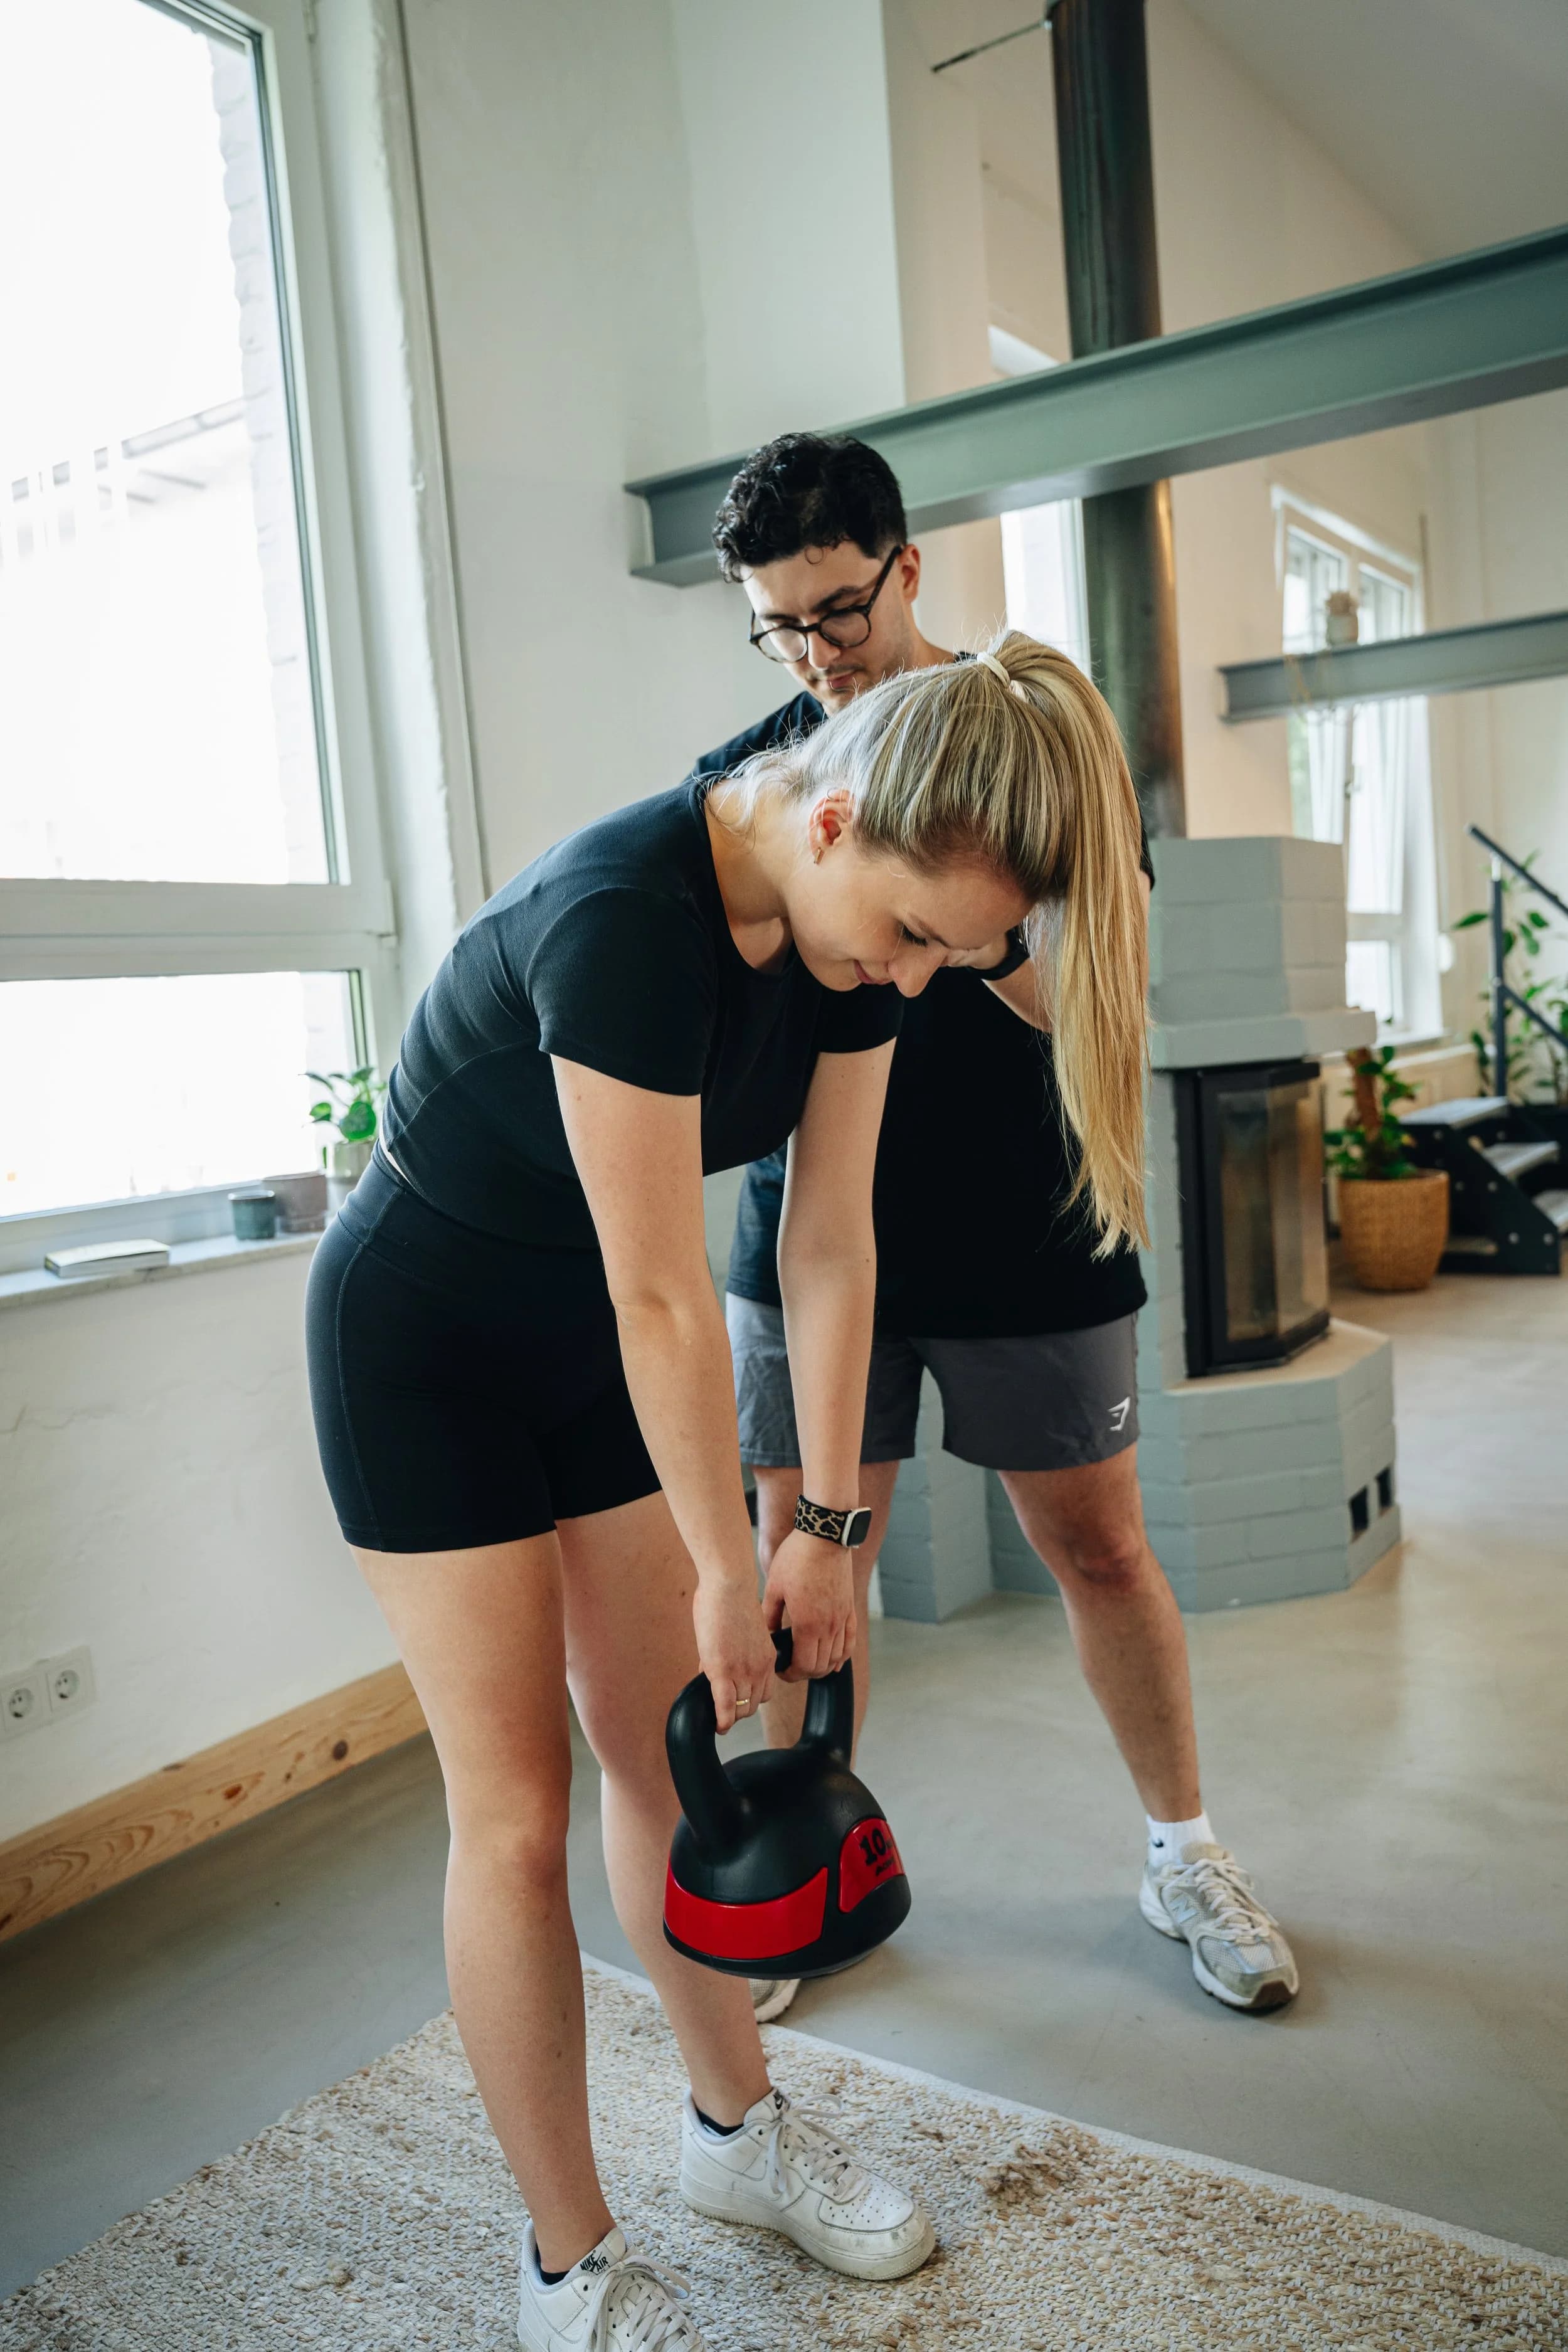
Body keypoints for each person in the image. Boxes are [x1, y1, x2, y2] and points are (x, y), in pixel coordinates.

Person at [305, 625, 1150, 2352]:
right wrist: (719, 1553)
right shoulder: (626, 913)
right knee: (516, 1804)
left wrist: (821, 1527)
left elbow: (830, 1242)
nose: (917, 978)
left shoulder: (851, 959)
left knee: (662, 1750)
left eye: (958, 955)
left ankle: (730, 2130)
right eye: (918, 933)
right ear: (831, 820)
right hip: (427, 1340)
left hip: (597, 1334)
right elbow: (663, 1290)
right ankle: (562, 2257)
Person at [700, 432, 1300, 2028]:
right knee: (812, 1563)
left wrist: (946, 908)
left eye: (835, 611)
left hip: (1024, 1225)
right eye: (778, 625)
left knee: (1094, 1545)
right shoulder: (766, 774)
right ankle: (805, 1859)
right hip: (806, 1239)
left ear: (905, 567)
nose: (814, 655)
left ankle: (1182, 1850)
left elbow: (1103, 991)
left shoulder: (1033, 751)